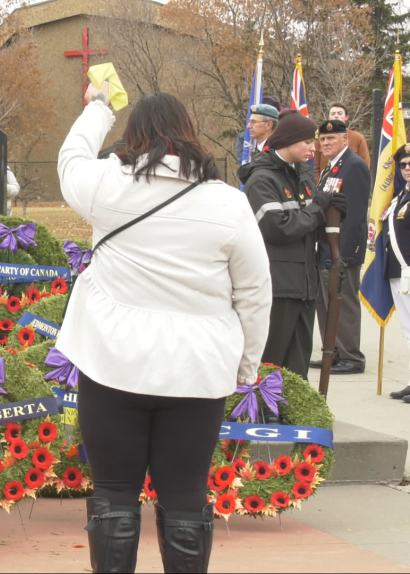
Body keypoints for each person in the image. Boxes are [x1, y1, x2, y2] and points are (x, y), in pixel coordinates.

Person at [57, 87, 272, 573]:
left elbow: (70, 158)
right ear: (189, 135)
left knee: (113, 489)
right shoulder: (228, 203)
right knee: (186, 490)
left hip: (113, 362)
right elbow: (255, 293)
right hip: (197, 369)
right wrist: (246, 365)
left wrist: (97, 105)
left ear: (134, 137)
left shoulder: (106, 187)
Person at [242, 110, 348, 379]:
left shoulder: (298, 176)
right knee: (270, 364)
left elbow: (307, 227)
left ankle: (290, 417)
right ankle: (263, 415)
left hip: (304, 284)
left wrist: (332, 216)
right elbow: (278, 228)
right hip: (278, 285)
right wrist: (317, 209)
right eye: (308, 142)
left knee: (296, 368)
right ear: (288, 141)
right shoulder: (262, 179)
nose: (314, 148)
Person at [309, 120, 371, 374]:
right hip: (326, 247)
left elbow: (354, 215)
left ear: (345, 139)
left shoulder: (354, 166)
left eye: (331, 139)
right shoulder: (331, 167)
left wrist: (343, 254)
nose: (325, 143)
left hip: (341, 250)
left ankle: (351, 357)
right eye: (322, 140)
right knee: (325, 303)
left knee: (343, 303)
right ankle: (332, 351)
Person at [383, 146, 410, 401]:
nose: (406, 168)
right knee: (408, 328)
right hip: (398, 271)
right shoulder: (401, 195)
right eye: (403, 165)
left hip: (409, 270)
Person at [314, 103, 371, 171]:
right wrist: (320, 181)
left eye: (339, 113)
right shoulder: (320, 139)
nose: (336, 116)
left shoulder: (358, 138)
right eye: (333, 114)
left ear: (346, 117)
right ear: (329, 118)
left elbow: (364, 164)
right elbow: (315, 166)